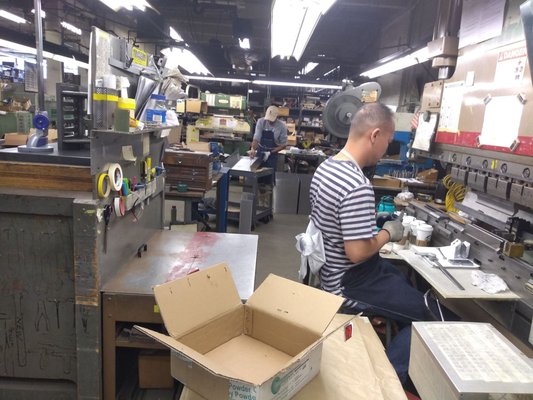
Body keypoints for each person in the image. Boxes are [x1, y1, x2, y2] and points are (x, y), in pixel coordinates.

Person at [309, 102, 441, 384]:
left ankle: (387, 330)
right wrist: (387, 233)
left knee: (405, 286)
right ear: (375, 135)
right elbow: (357, 252)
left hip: (330, 273)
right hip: (351, 280)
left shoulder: (326, 169)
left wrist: (370, 220)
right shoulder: (357, 184)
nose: (387, 149)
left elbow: (332, 224)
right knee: (434, 318)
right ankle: (384, 381)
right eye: (389, 141)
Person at [249, 105, 288, 181]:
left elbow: (284, 145)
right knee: (257, 177)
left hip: (272, 155)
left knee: (269, 178)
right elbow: (256, 137)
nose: (269, 121)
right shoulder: (261, 122)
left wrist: (270, 152)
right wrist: (253, 149)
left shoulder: (282, 126)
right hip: (260, 152)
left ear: (277, 117)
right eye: (268, 119)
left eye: (272, 119)